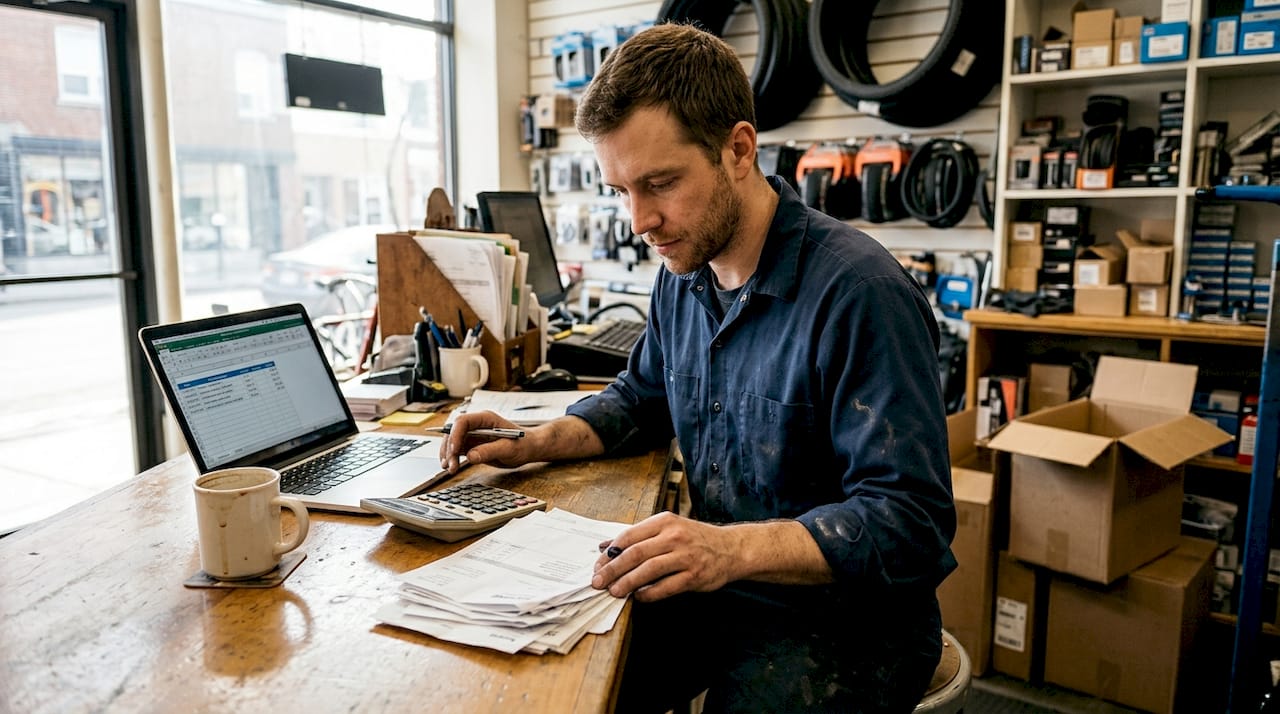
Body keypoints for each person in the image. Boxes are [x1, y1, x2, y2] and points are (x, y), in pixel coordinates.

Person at [441, 21, 956, 714]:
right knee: (547, 680)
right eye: (621, 189)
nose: (639, 220)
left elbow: (910, 524)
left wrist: (728, 551)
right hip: (721, 589)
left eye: (659, 183)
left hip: (847, 624)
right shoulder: (683, 274)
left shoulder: (860, 295)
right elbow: (640, 398)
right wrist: (531, 442)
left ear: (738, 149)